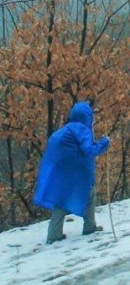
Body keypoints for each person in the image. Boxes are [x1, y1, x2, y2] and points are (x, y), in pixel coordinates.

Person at [33, 101, 110, 244]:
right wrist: (104, 143)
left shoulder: (66, 129)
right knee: (89, 193)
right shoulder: (82, 129)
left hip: (62, 171)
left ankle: (54, 234)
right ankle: (89, 226)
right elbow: (89, 150)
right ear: (88, 116)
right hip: (77, 170)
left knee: (61, 199)